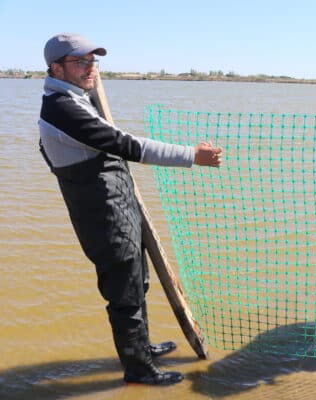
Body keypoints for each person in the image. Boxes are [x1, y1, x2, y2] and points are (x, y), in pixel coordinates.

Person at [38, 33, 223, 386]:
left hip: (117, 204)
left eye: (93, 61)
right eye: (81, 62)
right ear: (55, 68)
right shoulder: (62, 108)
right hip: (101, 214)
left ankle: (141, 349)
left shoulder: (75, 95)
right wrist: (192, 156)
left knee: (138, 282)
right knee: (124, 294)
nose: (90, 68)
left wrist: (86, 81)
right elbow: (127, 145)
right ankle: (138, 371)